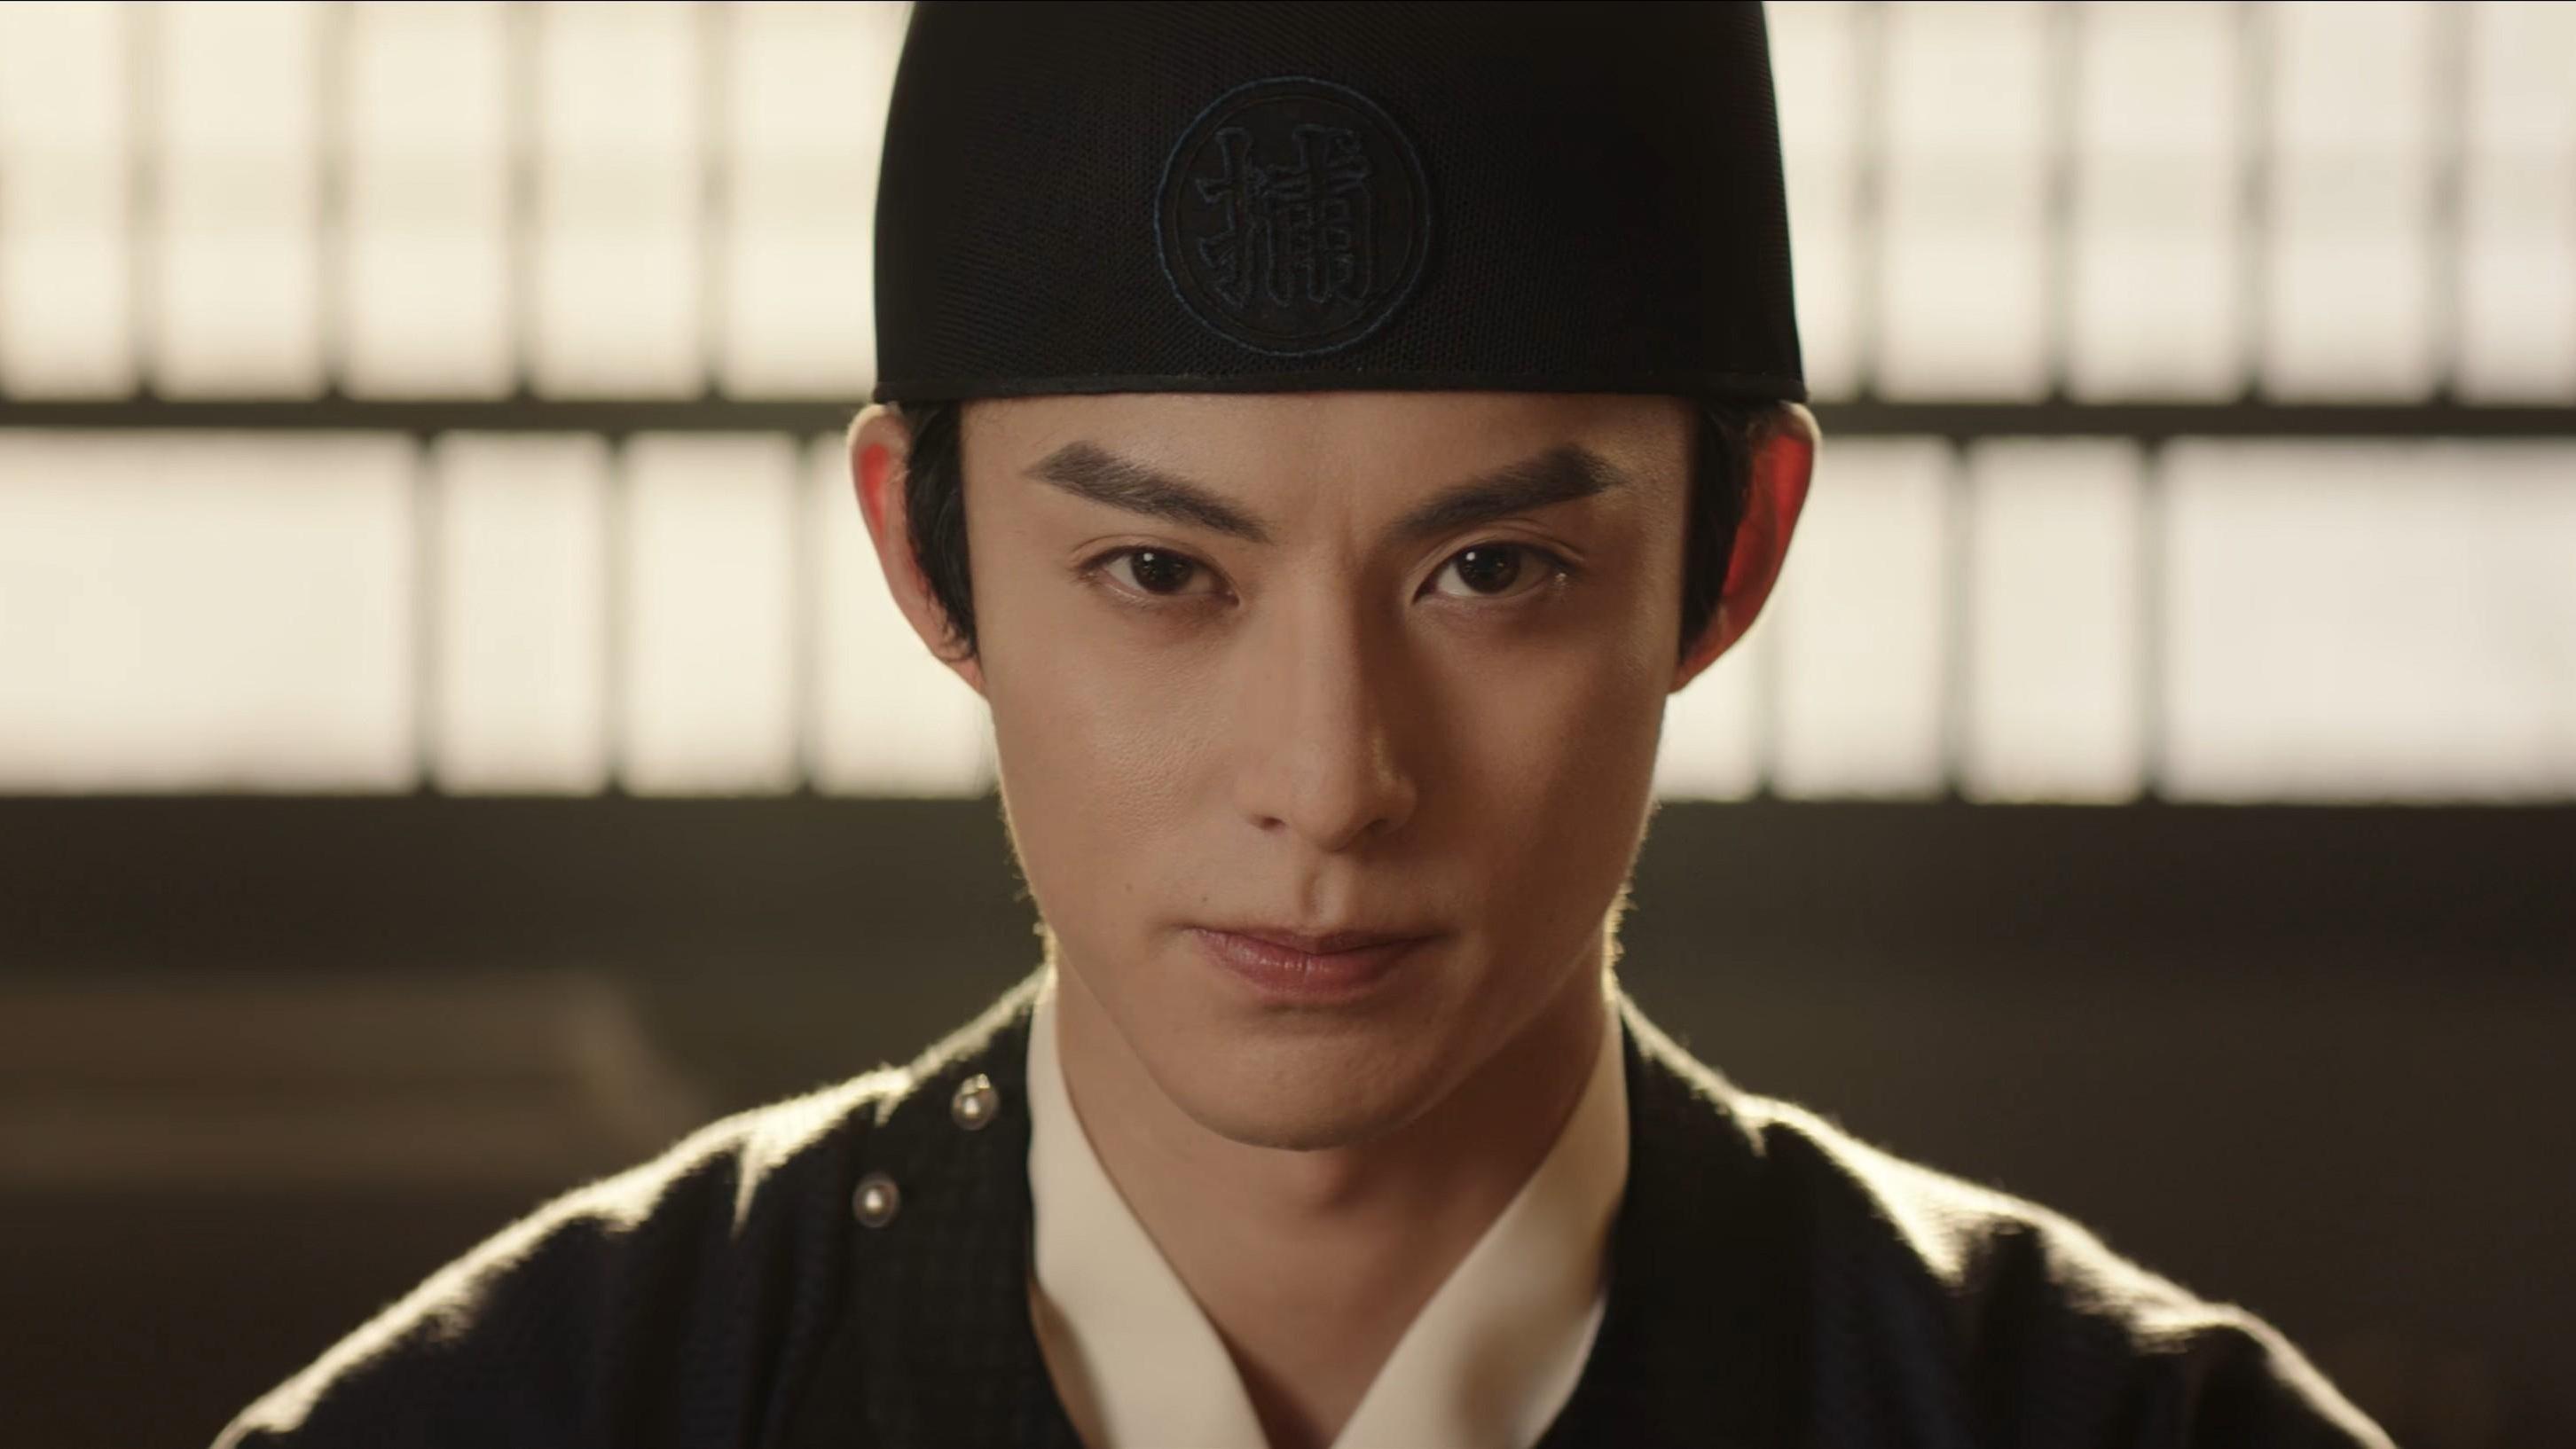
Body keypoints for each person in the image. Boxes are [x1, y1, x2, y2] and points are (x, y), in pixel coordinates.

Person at [216, 4, 2395, 1446]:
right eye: (1161, 574)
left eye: (1494, 572)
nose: (1333, 781)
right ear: (926, 553)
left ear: (1733, 552)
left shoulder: (2116, 1427)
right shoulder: (532, 1415)